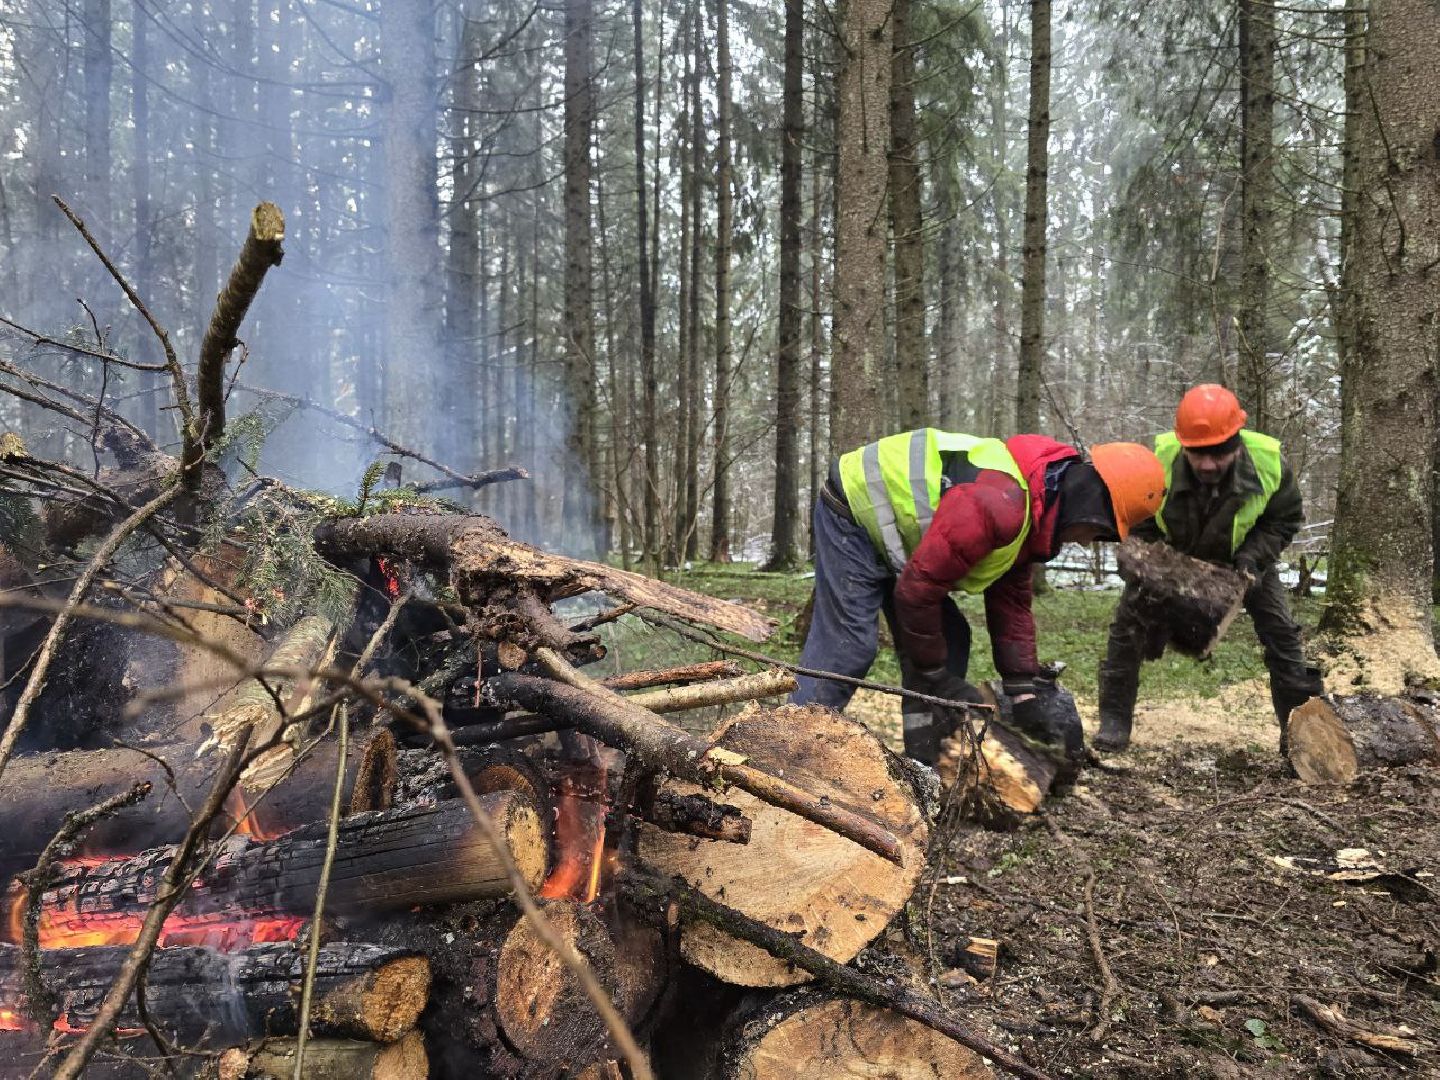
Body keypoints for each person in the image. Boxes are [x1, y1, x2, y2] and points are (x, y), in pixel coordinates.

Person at [791, 428, 1165, 764]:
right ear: (1090, 504)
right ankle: (782, 749)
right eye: (1096, 533)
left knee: (951, 637)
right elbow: (918, 590)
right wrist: (935, 673)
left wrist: (1023, 691)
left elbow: (1012, 601)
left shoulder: (1032, 509)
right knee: (848, 646)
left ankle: (925, 762)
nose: (1086, 542)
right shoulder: (997, 504)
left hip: (899, 540)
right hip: (853, 508)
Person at [1095, 385, 1324, 754]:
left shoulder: (1269, 464)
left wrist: (1252, 559)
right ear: (1183, 443)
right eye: (1197, 453)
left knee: (1282, 636)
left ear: (1236, 440)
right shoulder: (1159, 461)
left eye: (1218, 454)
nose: (1206, 464)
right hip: (1173, 558)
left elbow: (1283, 521)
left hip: (1243, 558)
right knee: (1127, 629)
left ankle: (1302, 735)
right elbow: (1137, 517)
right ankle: (1114, 721)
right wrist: (1151, 562)